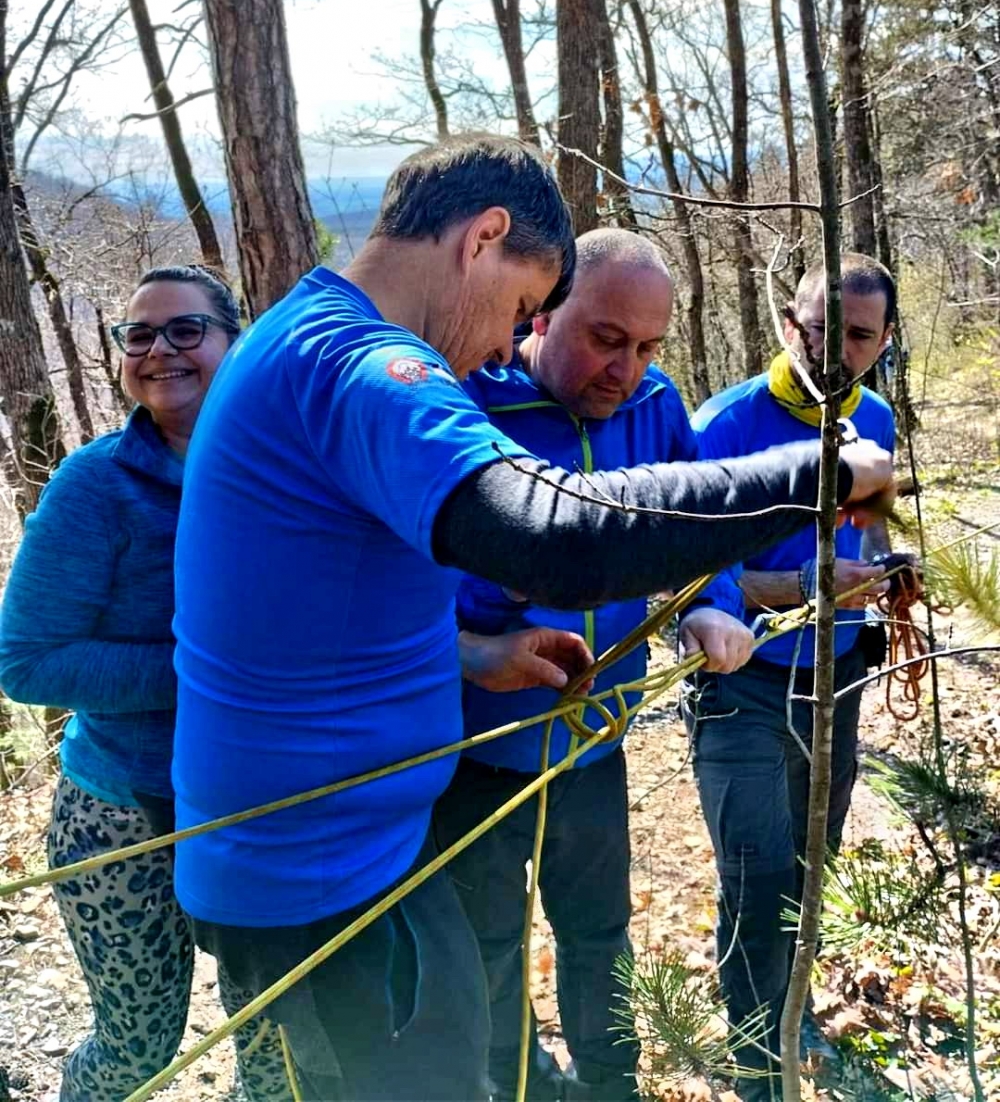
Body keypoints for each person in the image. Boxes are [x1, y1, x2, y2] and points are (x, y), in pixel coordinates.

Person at [170, 135, 896, 1102]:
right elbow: (554, 534)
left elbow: (324, 599)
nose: (504, 346)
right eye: (520, 309)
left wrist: (470, 654)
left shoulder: (307, 337)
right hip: (317, 871)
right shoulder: (362, 364)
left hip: (356, 847)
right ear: (484, 238)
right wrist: (817, 475)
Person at [434, 229, 756, 1102]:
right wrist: (494, 603)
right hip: (474, 750)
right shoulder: (467, 401)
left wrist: (707, 603)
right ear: (542, 313)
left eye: (648, 346)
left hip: (593, 744)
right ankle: (520, 1087)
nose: (627, 370)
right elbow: (407, 569)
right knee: (489, 946)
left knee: (599, 933)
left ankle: (612, 1086)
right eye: (606, 339)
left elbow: (700, 526)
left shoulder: (656, 405)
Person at [0, 267, 293, 1102]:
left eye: (186, 329)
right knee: (137, 1049)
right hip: (122, 814)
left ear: (235, 342)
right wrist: (210, 674)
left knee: (275, 1042)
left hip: (260, 804)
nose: (160, 348)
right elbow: (25, 660)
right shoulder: (95, 486)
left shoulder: (288, 469)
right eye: (140, 334)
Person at [688, 253, 903, 1101]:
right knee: (756, 870)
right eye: (820, 329)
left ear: (883, 342)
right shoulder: (722, 428)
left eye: (859, 336)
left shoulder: (874, 418)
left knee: (817, 859)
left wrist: (890, 571)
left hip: (837, 675)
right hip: (739, 682)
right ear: (789, 324)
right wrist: (809, 585)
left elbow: (870, 528)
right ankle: (755, 1062)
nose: (836, 350)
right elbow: (691, 586)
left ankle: (790, 1014)